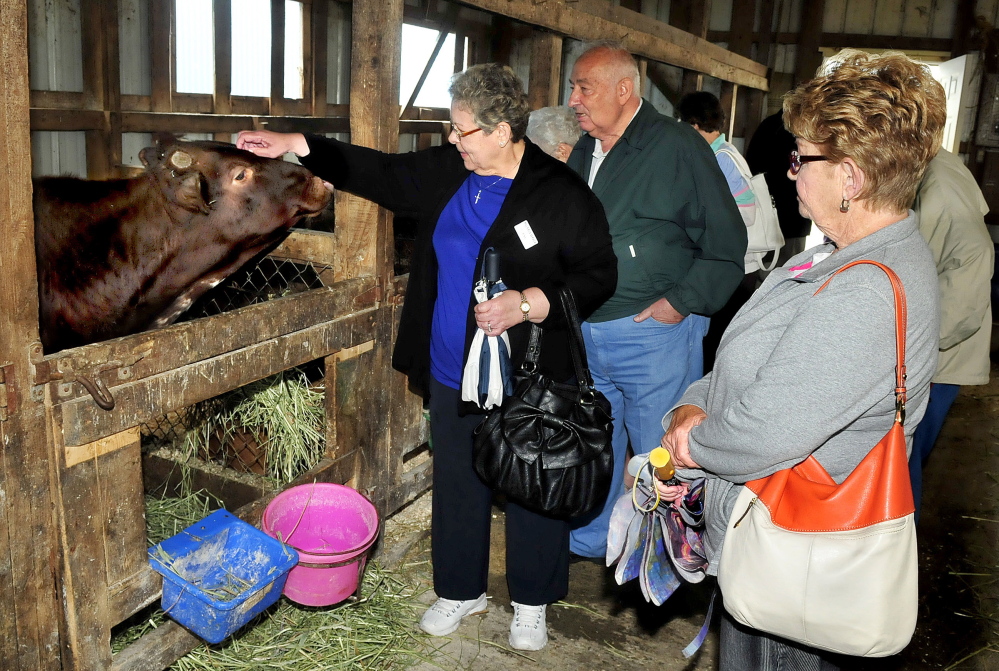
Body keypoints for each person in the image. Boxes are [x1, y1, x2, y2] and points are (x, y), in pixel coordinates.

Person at [237, 63, 617, 651]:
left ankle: (532, 601)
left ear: (501, 131)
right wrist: (298, 145)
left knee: (530, 478)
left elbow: (599, 274)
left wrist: (531, 302)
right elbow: (381, 173)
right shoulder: (450, 171)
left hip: (529, 371)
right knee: (457, 476)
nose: (452, 139)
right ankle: (461, 589)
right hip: (450, 362)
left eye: (463, 130)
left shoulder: (561, 194)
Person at [654, 50, 945, 669]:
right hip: (772, 530)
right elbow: (754, 366)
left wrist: (692, 444)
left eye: (801, 159)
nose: (790, 173)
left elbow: (765, 429)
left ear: (851, 178)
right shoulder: (834, 257)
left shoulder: (866, 287)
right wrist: (695, 403)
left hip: (800, 555)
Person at [564, 40, 747, 560]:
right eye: (573, 87)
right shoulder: (586, 148)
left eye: (585, 87)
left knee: (658, 453)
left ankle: (661, 557)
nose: (574, 98)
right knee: (599, 443)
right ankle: (599, 536)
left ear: (626, 90)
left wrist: (681, 302)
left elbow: (726, 241)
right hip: (590, 329)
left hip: (652, 332)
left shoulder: (677, 147)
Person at [909, 147, 993, 521]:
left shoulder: (939, 184)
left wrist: (920, 345)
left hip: (939, 356)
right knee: (905, 455)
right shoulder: (937, 166)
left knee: (904, 456)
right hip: (935, 347)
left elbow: (973, 257)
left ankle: (895, 548)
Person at [676, 90, 759, 371]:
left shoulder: (719, 159)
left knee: (718, 345)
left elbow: (745, 214)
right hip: (738, 266)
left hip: (735, 267)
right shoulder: (724, 152)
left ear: (694, 125)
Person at [746, 110, 813, 267]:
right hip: (795, 210)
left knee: (766, 263)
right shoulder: (801, 128)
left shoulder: (769, 125)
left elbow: (752, 167)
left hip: (769, 209)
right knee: (791, 264)